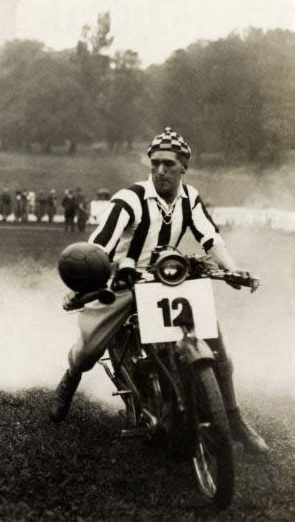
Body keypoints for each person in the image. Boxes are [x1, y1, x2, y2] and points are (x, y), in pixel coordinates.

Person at [48, 128, 269, 454]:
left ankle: (233, 417)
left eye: (168, 164)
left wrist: (231, 268)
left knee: (215, 342)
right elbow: (101, 245)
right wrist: (90, 281)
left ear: (184, 167)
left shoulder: (190, 199)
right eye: (155, 164)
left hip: (170, 277)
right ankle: (71, 377)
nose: (161, 170)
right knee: (91, 345)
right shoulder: (129, 199)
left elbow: (211, 239)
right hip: (124, 279)